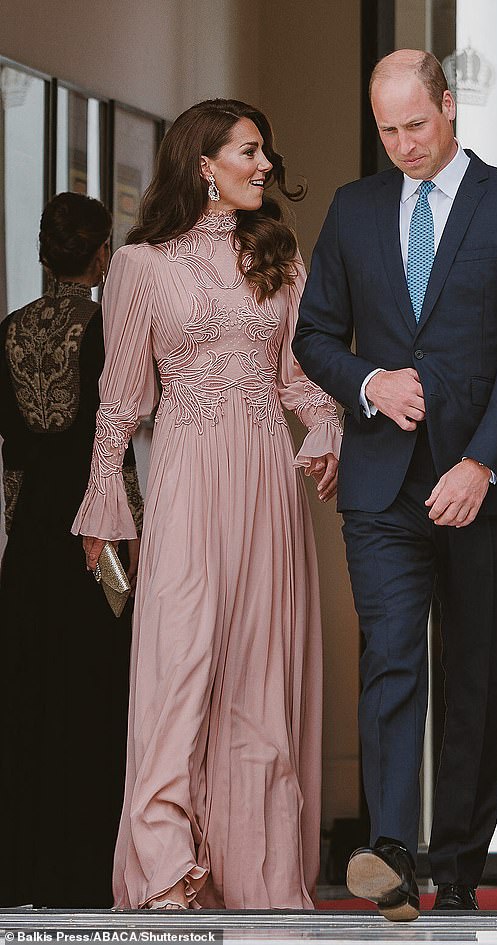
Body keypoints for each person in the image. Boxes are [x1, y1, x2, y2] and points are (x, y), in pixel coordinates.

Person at [293, 50, 497, 919]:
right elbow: (315, 336)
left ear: (450, 105)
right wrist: (371, 382)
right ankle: (395, 852)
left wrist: (481, 462)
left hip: (481, 481)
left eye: (417, 123)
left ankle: (457, 868)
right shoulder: (354, 208)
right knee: (394, 660)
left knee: (475, 677)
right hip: (382, 485)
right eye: (387, 129)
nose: (403, 143)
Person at [72, 98, 341, 911]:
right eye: (249, 151)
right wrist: (103, 507)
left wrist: (325, 422)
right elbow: (119, 402)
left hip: (264, 480)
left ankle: (256, 876)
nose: (264, 165)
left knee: (260, 678)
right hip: (187, 477)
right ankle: (162, 865)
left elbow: (298, 379)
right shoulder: (141, 266)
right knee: (180, 663)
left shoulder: (280, 259)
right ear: (204, 164)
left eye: (264, 151)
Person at [0, 192, 142, 908]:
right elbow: (114, 455)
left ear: (41, 252)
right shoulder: (107, 328)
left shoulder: (9, 332)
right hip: (97, 537)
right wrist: (134, 547)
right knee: (97, 694)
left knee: (27, 695)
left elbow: (13, 457)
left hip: (28, 543)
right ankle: (86, 870)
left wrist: (16, 538)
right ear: (99, 255)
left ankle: (21, 869)